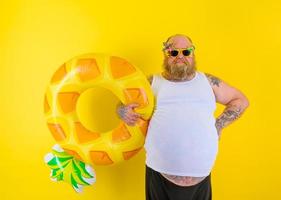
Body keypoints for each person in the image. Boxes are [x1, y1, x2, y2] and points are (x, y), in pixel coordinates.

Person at [116, 34, 249, 200]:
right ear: (165, 54)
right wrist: (121, 110)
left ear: (193, 54)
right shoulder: (151, 82)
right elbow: (123, 103)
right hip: (159, 178)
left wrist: (220, 124)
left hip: (201, 180)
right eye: (173, 52)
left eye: (186, 52)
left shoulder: (208, 82)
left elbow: (240, 100)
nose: (180, 56)